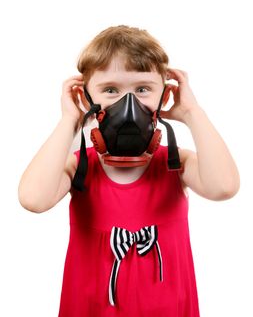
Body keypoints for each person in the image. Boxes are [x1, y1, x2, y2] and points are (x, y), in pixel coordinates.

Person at [18, 25, 240, 316]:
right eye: (110, 90)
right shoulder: (78, 166)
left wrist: (192, 113)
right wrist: (69, 121)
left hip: (167, 308)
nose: (129, 103)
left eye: (143, 89)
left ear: (165, 96)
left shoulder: (176, 163)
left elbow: (223, 186)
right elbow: (33, 199)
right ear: (86, 97)